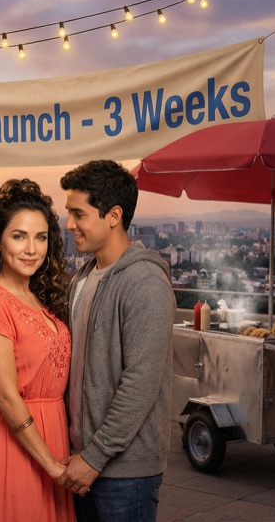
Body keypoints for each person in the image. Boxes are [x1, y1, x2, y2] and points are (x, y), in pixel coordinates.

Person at [60, 160, 174, 522]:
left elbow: (140, 383)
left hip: (125, 472)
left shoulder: (144, 282)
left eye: (78, 213)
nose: (68, 224)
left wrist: (94, 457)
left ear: (113, 215)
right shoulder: (84, 277)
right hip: (82, 459)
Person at [0, 178, 74, 522]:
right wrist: (52, 467)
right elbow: (8, 397)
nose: (31, 249)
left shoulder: (41, 298)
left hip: (53, 437)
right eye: (18, 236)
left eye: (40, 237)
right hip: (17, 448)